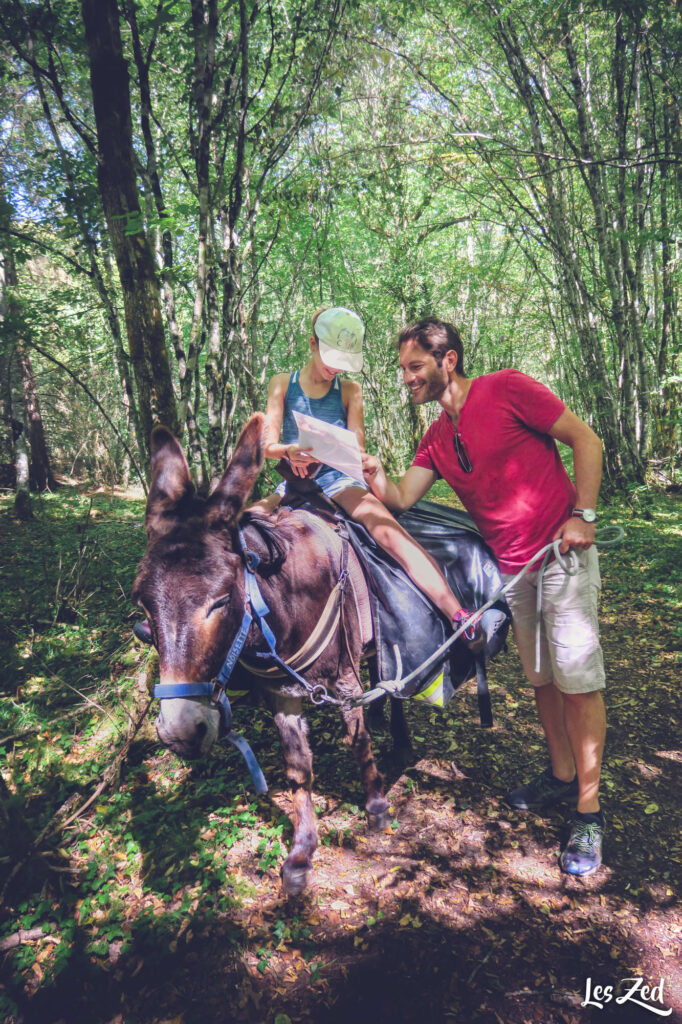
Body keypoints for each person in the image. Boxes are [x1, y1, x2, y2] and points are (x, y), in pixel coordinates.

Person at [361, 317, 607, 876]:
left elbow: (585, 440)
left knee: (577, 680)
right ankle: (560, 776)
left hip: (561, 554)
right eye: (402, 369)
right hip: (512, 571)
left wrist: (582, 514)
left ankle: (589, 812)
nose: (407, 378)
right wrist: (374, 474)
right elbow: (400, 498)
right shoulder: (435, 438)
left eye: (415, 366)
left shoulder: (507, 389)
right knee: (543, 678)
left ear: (448, 360)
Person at [251, 306, 476, 635]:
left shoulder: (349, 391)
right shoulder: (283, 384)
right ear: (312, 344)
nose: (334, 369)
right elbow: (266, 445)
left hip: (341, 481)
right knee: (242, 524)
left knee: (387, 532)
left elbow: (355, 447)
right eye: (330, 358)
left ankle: (456, 613)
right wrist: (288, 451)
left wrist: (342, 455)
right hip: (293, 484)